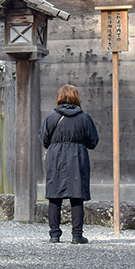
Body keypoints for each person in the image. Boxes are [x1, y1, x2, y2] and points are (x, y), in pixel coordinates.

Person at [40, 84, 99, 244]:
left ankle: (54, 234)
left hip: (56, 158)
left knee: (54, 196)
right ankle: (77, 235)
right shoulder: (84, 117)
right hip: (77, 158)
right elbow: (93, 141)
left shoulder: (51, 116)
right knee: (77, 196)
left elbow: (44, 139)